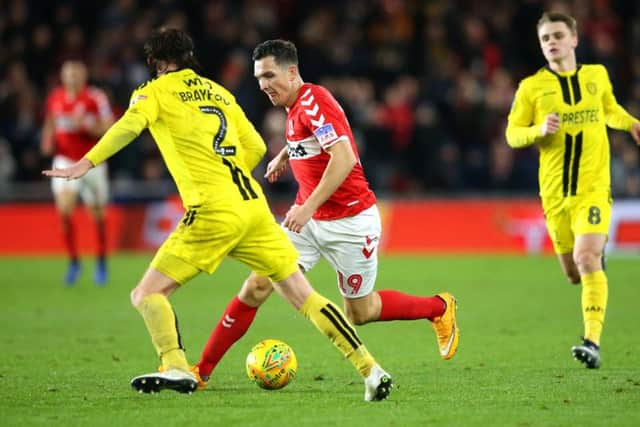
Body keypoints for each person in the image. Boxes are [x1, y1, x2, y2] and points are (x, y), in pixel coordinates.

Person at [43, 28, 393, 401]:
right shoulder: (218, 92)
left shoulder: (153, 92)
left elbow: (128, 126)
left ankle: (176, 365)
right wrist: (230, 172)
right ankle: (371, 369)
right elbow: (257, 145)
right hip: (253, 207)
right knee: (302, 295)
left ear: (157, 64)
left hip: (212, 210)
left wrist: (85, 163)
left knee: (146, 293)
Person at [193, 39, 459, 387]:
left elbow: (345, 156)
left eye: (270, 75)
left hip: (351, 221)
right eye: (258, 78)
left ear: (292, 72)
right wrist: (287, 154)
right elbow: (316, 138)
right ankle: (201, 371)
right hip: (308, 222)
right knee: (257, 285)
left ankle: (438, 308)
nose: (263, 85)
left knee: (359, 313)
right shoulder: (295, 106)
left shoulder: (313, 101)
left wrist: (307, 206)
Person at [506, 12, 640, 369]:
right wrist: (537, 130)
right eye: (545, 38)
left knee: (586, 258)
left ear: (574, 39)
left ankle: (591, 342)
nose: (551, 42)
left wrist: (630, 124)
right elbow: (512, 134)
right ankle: (594, 259)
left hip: (593, 189)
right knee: (573, 272)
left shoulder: (597, 76)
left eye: (557, 35)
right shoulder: (531, 88)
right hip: (554, 195)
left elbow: (609, 110)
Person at [41, 60, 114, 285]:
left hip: (92, 161)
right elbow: (51, 121)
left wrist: (88, 127)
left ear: (84, 76)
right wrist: (46, 139)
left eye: (75, 73)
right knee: (64, 209)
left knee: (98, 215)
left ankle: (101, 259)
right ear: (62, 77)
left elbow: (110, 126)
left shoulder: (95, 98)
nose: (71, 77)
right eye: (68, 74)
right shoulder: (55, 98)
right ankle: (74, 261)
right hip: (64, 160)